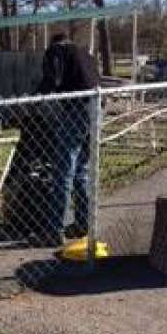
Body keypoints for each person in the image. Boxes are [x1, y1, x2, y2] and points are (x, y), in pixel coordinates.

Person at [37, 33, 100, 241]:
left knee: (63, 170)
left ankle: (54, 230)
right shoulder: (86, 54)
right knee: (81, 170)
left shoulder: (57, 50)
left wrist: (37, 99)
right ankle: (83, 223)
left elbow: (52, 79)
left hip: (76, 109)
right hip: (96, 108)